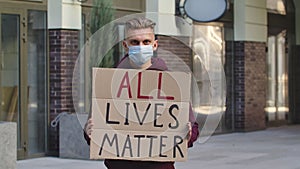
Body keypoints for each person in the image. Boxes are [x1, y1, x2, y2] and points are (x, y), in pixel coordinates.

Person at [84, 17, 199, 169]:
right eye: (135, 42)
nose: (141, 46)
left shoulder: (173, 83)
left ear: (154, 45)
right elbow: (95, 129)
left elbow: (193, 128)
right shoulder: (107, 83)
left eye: (146, 42)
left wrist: (188, 134)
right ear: (125, 45)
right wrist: (88, 131)